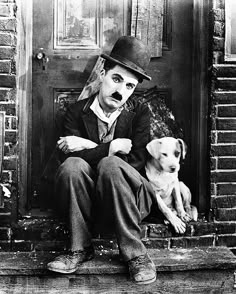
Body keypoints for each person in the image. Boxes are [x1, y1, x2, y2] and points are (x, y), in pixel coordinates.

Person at [47, 36, 159, 285]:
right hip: (87, 205)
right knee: (73, 166)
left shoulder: (139, 112)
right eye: (116, 79)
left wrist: (92, 148)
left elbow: (135, 163)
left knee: (112, 165)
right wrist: (111, 147)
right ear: (102, 73)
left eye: (129, 86)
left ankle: (136, 254)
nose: (120, 91)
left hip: (130, 200)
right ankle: (79, 248)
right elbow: (69, 158)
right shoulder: (76, 112)